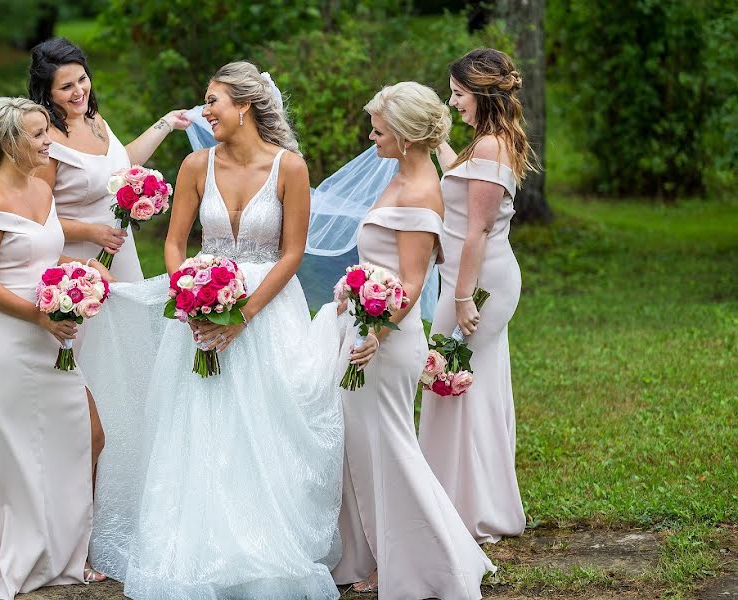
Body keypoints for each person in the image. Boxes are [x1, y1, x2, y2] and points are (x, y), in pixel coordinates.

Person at [77, 62, 347, 600]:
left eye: (214, 100)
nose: (205, 112)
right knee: (197, 428)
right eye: (205, 101)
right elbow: (175, 244)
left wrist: (241, 316)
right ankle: (193, 546)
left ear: (244, 105)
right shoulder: (195, 165)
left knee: (263, 426)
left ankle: (261, 546)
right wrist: (190, 293)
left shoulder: (291, 168)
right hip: (200, 313)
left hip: (267, 312)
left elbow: (292, 253)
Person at [0, 97, 114, 599]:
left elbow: (47, 259)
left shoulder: (42, 189)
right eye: (37, 135)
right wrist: (39, 315)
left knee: (79, 434)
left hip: (55, 334)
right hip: (8, 340)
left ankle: (57, 552)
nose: (48, 141)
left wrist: (84, 276)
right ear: (11, 143)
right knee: (7, 443)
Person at [330, 82, 495, 599]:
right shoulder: (399, 174)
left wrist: (376, 332)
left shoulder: (422, 190)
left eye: (378, 128)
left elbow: (413, 281)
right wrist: (350, 292)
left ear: (403, 134)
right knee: (362, 448)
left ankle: (433, 563)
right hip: (366, 331)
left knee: (392, 450)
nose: (370, 135)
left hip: (388, 341)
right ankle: (368, 556)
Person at [28, 37, 190, 490]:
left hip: (122, 256)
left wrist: (166, 124)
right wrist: (92, 233)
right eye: (65, 87)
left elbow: (123, 164)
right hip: (80, 264)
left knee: (130, 360)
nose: (78, 91)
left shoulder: (96, 120)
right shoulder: (49, 141)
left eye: (81, 79)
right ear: (46, 93)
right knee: (94, 367)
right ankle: (84, 475)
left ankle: (128, 474)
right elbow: (40, 217)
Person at [419, 47, 540, 544]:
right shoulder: (486, 143)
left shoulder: (490, 146)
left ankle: (470, 507)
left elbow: (477, 229)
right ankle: (468, 498)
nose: (452, 103)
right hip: (471, 277)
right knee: (474, 383)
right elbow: (460, 186)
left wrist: (463, 297)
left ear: (483, 94)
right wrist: (436, 142)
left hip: (479, 281)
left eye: (458, 95)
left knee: (453, 379)